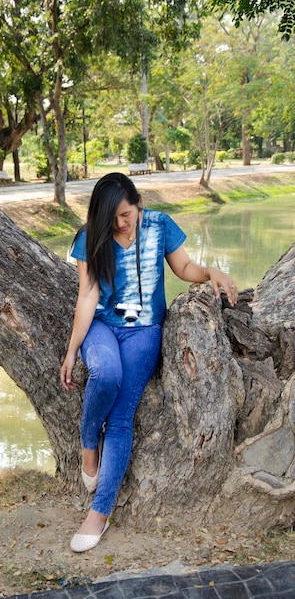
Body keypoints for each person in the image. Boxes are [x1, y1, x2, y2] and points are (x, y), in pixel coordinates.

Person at [60, 172, 237, 553]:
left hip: (144, 331)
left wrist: (211, 272)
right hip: (103, 328)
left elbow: (184, 269)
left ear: (139, 204)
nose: (122, 224)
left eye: (127, 214)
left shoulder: (159, 225)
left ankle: (99, 513)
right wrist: (73, 349)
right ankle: (89, 444)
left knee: (122, 415)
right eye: (114, 218)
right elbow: (88, 297)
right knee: (105, 374)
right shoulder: (89, 237)